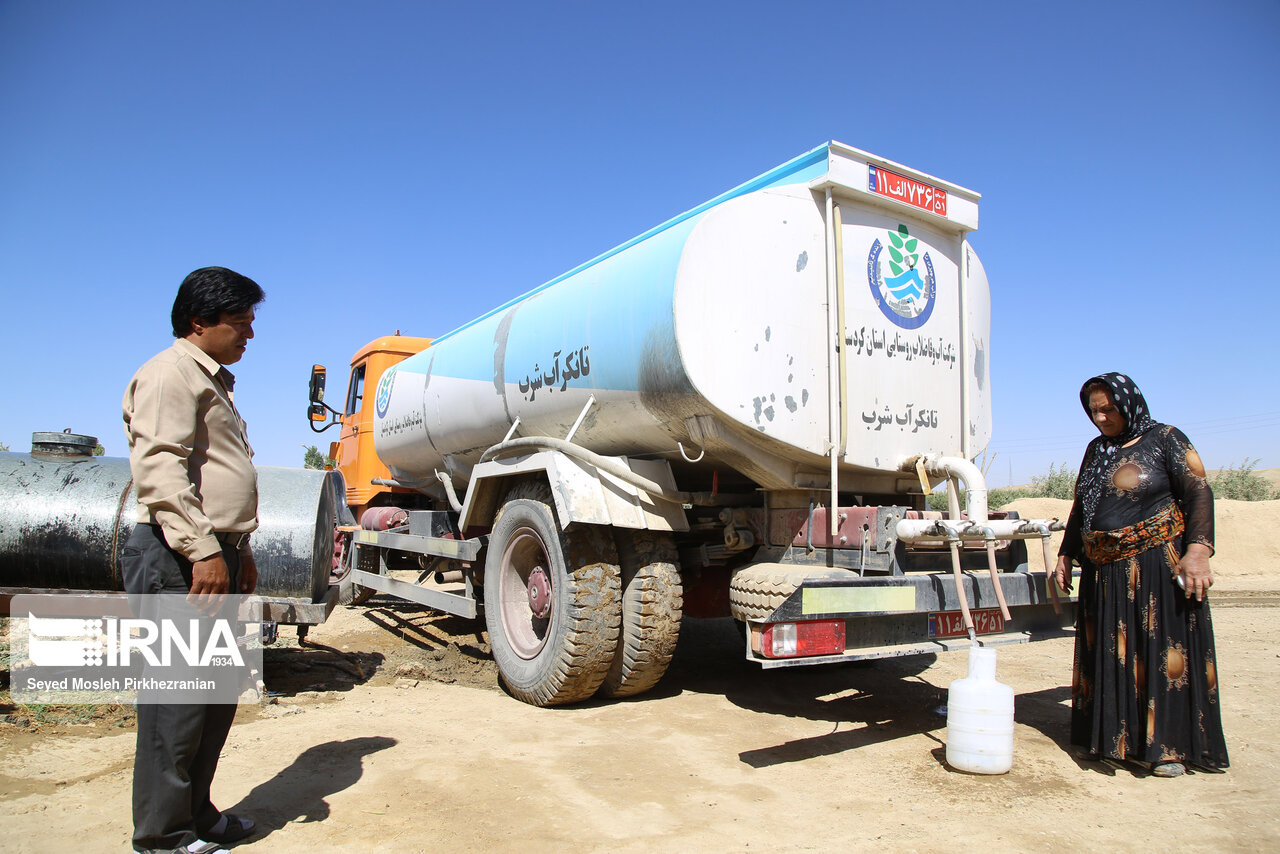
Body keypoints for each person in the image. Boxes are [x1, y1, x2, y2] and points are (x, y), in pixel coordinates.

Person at [121, 266, 265, 853]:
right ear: (198, 322)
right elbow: (160, 467)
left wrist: (240, 550)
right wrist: (205, 549)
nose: (249, 334)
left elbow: (216, 477)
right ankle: (162, 836)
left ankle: (197, 816)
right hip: (177, 557)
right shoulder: (169, 374)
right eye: (240, 322)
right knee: (176, 703)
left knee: (214, 697)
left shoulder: (212, 378)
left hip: (214, 554)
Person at [1053, 372, 1228, 777]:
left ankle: (1167, 750)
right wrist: (1067, 553)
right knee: (1111, 654)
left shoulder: (1166, 438)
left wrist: (1198, 550)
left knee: (1159, 653)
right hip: (1104, 571)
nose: (1100, 418)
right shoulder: (1097, 449)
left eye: (1107, 409)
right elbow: (1083, 505)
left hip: (1155, 567)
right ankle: (1111, 742)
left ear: (1128, 403)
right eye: (1093, 411)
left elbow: (1199, 491)